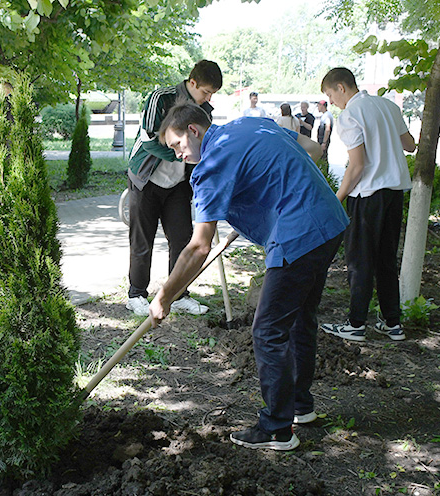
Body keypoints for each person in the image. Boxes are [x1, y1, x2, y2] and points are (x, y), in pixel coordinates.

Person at [150, 102, 349, 450]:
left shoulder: (210, 166)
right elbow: (313, 150)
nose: (178, 155)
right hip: (330, 222)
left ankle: (276, 427)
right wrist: (267, 190)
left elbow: (198, 247)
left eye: (177, 145)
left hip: (298, 234)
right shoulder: (247, 126)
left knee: (268, 329)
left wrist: (165, 295)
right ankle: (300, 406)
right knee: (302, 317)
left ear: (193, 131)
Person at [318, 67, 417, 343]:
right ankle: (392, 323)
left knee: (360, 260)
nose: (331, 101)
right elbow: (410, 145)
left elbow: (357, 165)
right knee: (386, 258)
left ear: (341, 87)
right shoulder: (387, 106)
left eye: (330, 94)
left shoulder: (350, 114)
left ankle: (356, 323)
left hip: (368, 195)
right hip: (394, 193)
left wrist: (337, 199)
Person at [126, 60, 223, 317]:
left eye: (213, 93)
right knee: (142, 239)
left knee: (181, 238)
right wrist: (178, 153)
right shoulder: (161, 98)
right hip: (145, 179)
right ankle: (136, 294)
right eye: (205, 91)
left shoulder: (205, 111)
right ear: (192, 83)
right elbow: (148, 137)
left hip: (179, 185)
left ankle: (178, 294)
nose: (209, 98)